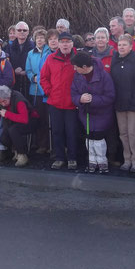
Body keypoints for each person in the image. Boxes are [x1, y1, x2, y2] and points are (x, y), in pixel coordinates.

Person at [71, 51, 115, 173]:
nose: (74, 69)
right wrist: (79, 99)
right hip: (85, 113)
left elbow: (110, 97)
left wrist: (92, 99)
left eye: (76, 66)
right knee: (89, 137)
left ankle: (102, 162)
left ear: (84, 67)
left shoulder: (104, 76)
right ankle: (92, 161)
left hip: (101, 113)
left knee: (98, 138)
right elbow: (73, 93)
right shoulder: (77, 76)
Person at [40, 32, 78, 170]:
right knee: (57, 131)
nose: (65, 44)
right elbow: (43, 77)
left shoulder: (77, 58)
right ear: (59, 44)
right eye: (62, 42)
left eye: (68, 42)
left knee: (72, 131)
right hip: (55, 102)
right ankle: (60, 157)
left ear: (72, 44)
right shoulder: (51, 58)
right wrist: (49, 91)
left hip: (72, 103)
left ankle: (73, 158)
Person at [110, 34, 135, 172]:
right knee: (123, 133)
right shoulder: (115, 59)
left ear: (131, 46)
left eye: (124, 45)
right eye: (119, 45)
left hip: (134, 102)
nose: (121, 47)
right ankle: (127, 159)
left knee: (133, 132)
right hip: (119, 102)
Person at [0, 85, 38, 167]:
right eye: (0, 102)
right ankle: (16, 149)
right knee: (3, 138)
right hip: (14, 123)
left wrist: (7, 114)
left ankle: (22, 155)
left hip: (31, 121)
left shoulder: (18, 99)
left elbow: (24, 119)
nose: (2, 104)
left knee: (13, 129)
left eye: (4, 101)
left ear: (9, 96)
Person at [25, 29, 51, 154]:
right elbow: (28, 70)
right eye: (37, 38)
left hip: (48, 90)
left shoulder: (50, 51)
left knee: (48, 118)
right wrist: (32, 77)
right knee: (39, 118)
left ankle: (50, 144)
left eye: (42, 37)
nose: (40, 40)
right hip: (35, 90)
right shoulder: (30, 53)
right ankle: (41, 144)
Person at [4, 21, 33, 95]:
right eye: (19, 30)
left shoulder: (34, 47)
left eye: (24, 30)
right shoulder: (8, 47)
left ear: (28, 32)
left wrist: (25, 70)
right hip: (14, 83)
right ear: (16, 32)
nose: (22, 32)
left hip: (29, 83)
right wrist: (14, 70)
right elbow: (6, 63)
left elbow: (35, 63)